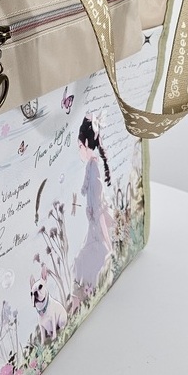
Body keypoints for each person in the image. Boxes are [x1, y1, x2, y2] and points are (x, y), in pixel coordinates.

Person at [74, 114, 113, 291]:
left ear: (86, 144)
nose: (79, 151)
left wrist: (108, 242)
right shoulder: (91, 166)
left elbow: (99, 206)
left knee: (88, 259)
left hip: (97, 224)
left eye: (80, 146)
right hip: (94, 225)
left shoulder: (94, 168)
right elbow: (87, 186)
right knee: (83, 258)